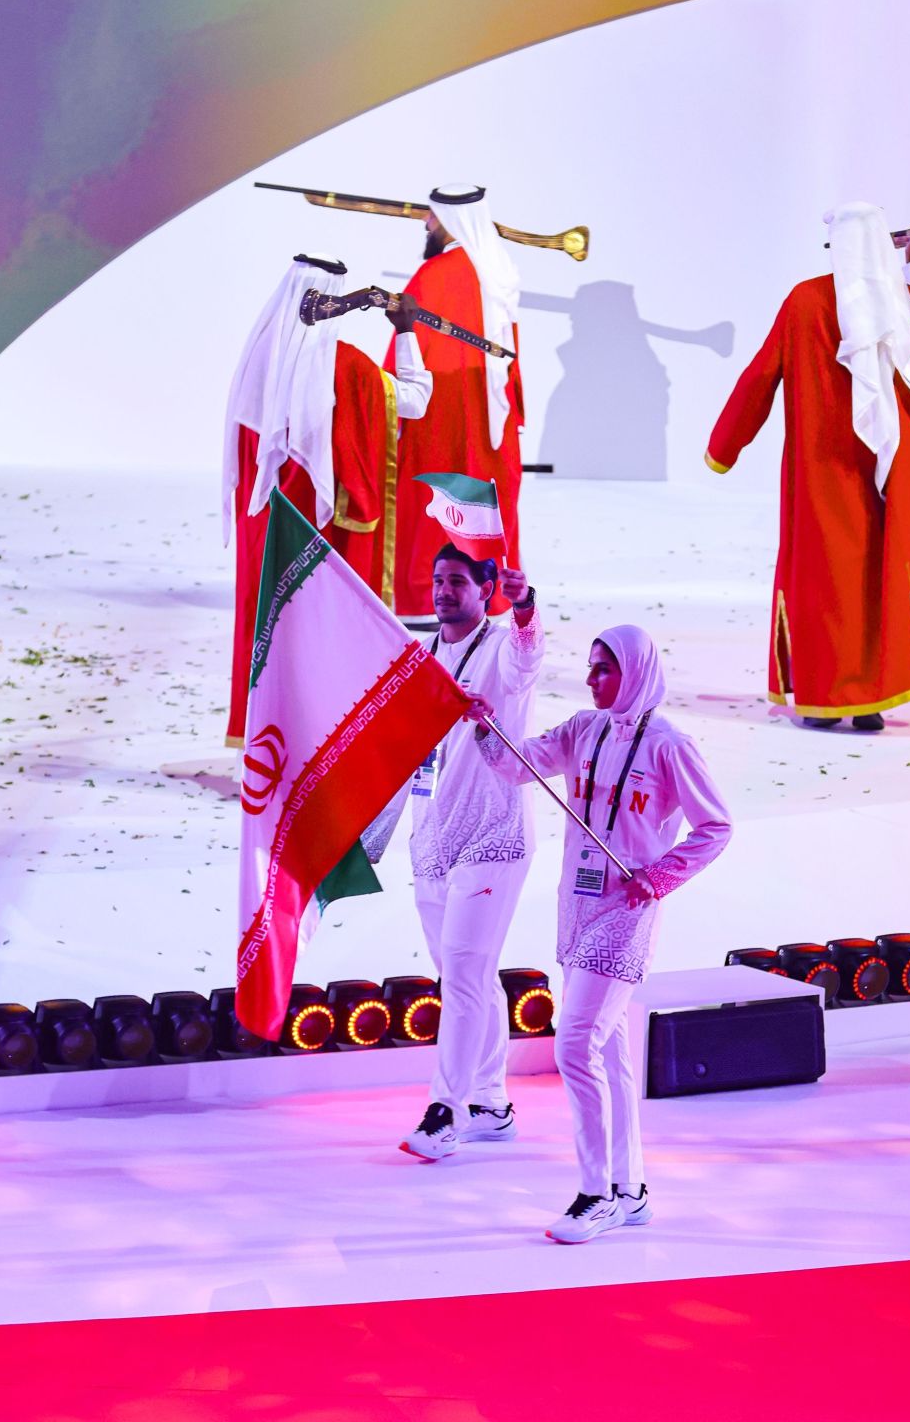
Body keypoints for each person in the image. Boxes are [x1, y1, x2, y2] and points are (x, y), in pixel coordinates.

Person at [468, 626, 731, 1243]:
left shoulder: (670, 745)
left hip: (626, 914)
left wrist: (660, 876)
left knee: (575, 1046)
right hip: (576, 904)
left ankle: (597, 1194)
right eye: (589, 668)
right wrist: (485, 725)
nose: (590, 680)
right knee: (610, 1053)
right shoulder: (584, 729)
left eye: (604, 670)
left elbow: (715, 826)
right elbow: (517, 764)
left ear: (635, 673)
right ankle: (630, 1189)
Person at [705, 202, 910, 731]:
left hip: (820, 474)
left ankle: (824, 700)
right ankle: (870, 702)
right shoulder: (900, 300)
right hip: (884, 475)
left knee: (822, 583)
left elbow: (761, 376)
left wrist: (724, 447)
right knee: (872, 581)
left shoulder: (804, 301)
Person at [222, 254, 433, 745]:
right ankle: (312, 744)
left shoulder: (255, 365)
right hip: (315, 539)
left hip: (262, 535)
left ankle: (255, 748)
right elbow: (415, 399)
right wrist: (405, 331)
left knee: (264, 629)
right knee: (314, 638)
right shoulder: (346, 368)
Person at [398, 543, 544, 1160]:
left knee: (461, 974)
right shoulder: (421, 657)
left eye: (457, 581)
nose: (443, 591)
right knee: (469, 976)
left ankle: (445, 1111)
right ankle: (491, 1102)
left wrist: (526, 605)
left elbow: (528, 653)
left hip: (492, 838)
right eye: (438, 580)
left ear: (486, 589)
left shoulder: (501, 651)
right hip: (432, 840)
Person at [384, 185, 524, 618]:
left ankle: (423, 594)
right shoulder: (500, 269)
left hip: (439, 411)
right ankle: (491, 591)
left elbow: (404, 347)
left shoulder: (433, 275)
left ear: (447, 220)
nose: (426, 224)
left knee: (434, 496)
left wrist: (386, 394)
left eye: (431, 216)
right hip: (493, 414)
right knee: (486, 495)